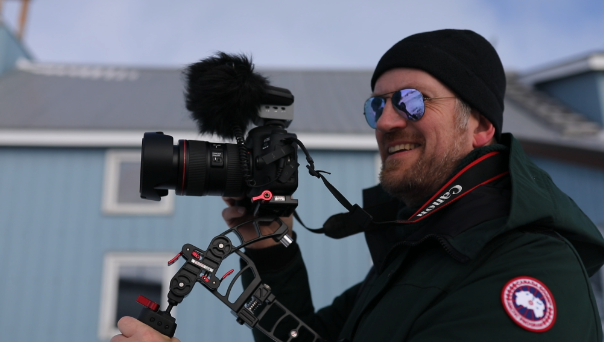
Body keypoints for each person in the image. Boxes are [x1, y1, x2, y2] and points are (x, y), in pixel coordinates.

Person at [113, 29, 604, 342]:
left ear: (479, 126)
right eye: (377, 105)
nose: (387, 122)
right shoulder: (413, 259)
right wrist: (271, 244)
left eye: (412, 102)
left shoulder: (528, 271)